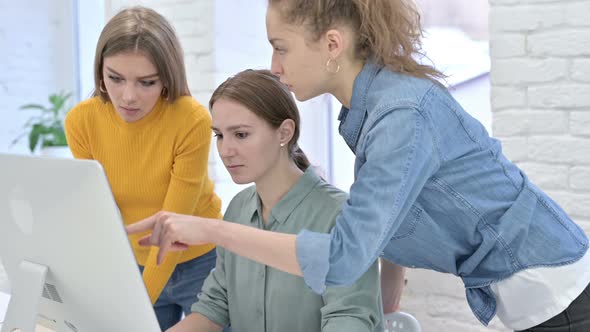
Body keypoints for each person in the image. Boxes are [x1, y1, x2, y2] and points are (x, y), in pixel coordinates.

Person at [127, 1, 590, 331]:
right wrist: (387, 298)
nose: (274, 65)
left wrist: (209, 230)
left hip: (556, 293)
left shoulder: (400, 115)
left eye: (281, 47)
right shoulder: (369, 113)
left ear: (332, 43)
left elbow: (344, 257)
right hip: (533, 292)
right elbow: (397, 212)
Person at [155, 69, 383, 332]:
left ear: (284, 133)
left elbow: (348, 322)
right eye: (219, 135)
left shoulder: (340, 216)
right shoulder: (238, 210)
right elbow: (214, 307)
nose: (226, 151)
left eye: (240, 134)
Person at [64, 6, 222, 331]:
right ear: (99, 71)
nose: (129, 97)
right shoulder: (82, 122)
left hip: (202, 264)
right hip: (134, 264)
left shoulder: (190, 120)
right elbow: (101, 214)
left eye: (146, 82)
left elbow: (172, 226)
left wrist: (133, 304)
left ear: (167, 77)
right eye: (115, 78)